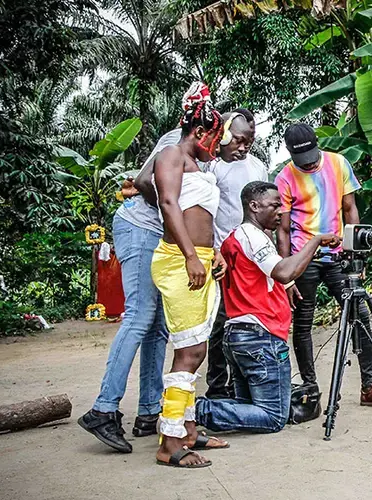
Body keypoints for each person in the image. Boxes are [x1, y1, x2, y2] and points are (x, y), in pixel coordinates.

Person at [77, 83, 211, 453]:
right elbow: (140, 182)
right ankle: (103, 410)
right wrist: (170, 214)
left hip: (160, 237)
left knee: (158, 328)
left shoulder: (204, 150)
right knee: (139, 316)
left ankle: (150, 411)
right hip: (140, 227)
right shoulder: (175, 141)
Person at [195, 181, 339, 432]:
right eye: (274, 206)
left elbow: (267, 277)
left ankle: (191, 411)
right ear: (254, 205)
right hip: (260, 336)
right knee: (273, 416)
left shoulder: (235, 238)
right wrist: (314, 241)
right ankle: (195, 410)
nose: (280, 212)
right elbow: (283, 272)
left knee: (248, 405)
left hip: (239, 336)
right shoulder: (252, 236)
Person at [275, 123, 372, 409]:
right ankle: (311, 389)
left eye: (312, 157)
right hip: (303, 258)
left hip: (337, 257)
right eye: (302, 160)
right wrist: (288, 276)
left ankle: (370, 387)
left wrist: (355, 252)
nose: (309, 164)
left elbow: (349, 209)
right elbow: (282, 230)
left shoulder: (338, 163)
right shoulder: (284, 178)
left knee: (361, 317)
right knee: (303, 324)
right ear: (291, 155)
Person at [146, 99, 230, 468]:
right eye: (214, 136)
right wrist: (191, 256)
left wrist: (214, 254)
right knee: (189, 352)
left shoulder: (196, 163)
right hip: (182, 260)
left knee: (198, 349)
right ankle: (170, 442)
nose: (217, 144)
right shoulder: (170, 155)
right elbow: (167, 202)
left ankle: (189, 429)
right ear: (199, 132)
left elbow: (203, 216)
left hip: (201, 258)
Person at [205, 109, 269, 400]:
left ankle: (243, 384)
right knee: (220, 321)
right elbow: (206, 213)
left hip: (252, 256)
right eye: (240, 140)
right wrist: (212, 251)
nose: (244, 147)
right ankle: (217, 385)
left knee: (249, 319)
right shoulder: (213, 167)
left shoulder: (258, 167)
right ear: (225, 135)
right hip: (222, 256)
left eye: (249, 141)